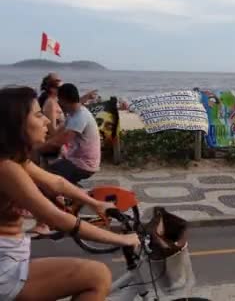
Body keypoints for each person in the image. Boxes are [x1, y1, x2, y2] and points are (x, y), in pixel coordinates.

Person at [0, 86, 140, 301]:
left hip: (13, 257)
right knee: (98, 276)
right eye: (38, 115)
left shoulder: (15, 160)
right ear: (16, 124)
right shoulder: (6, 168)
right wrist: (121, 239)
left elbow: (56, 183)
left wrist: (95, 203)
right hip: (5, 270)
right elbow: (61, 220)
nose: (47, 121)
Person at [39, 83, 101, 184]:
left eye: (59, 99)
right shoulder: (74, 112)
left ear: (64, 100)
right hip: (75, 158)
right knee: (49, 162)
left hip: (84, 164)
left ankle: (68, 195)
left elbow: (59, 141)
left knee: (47, 177)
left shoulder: (79, 117)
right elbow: (57, 134)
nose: (58, 102)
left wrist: (36, 148)